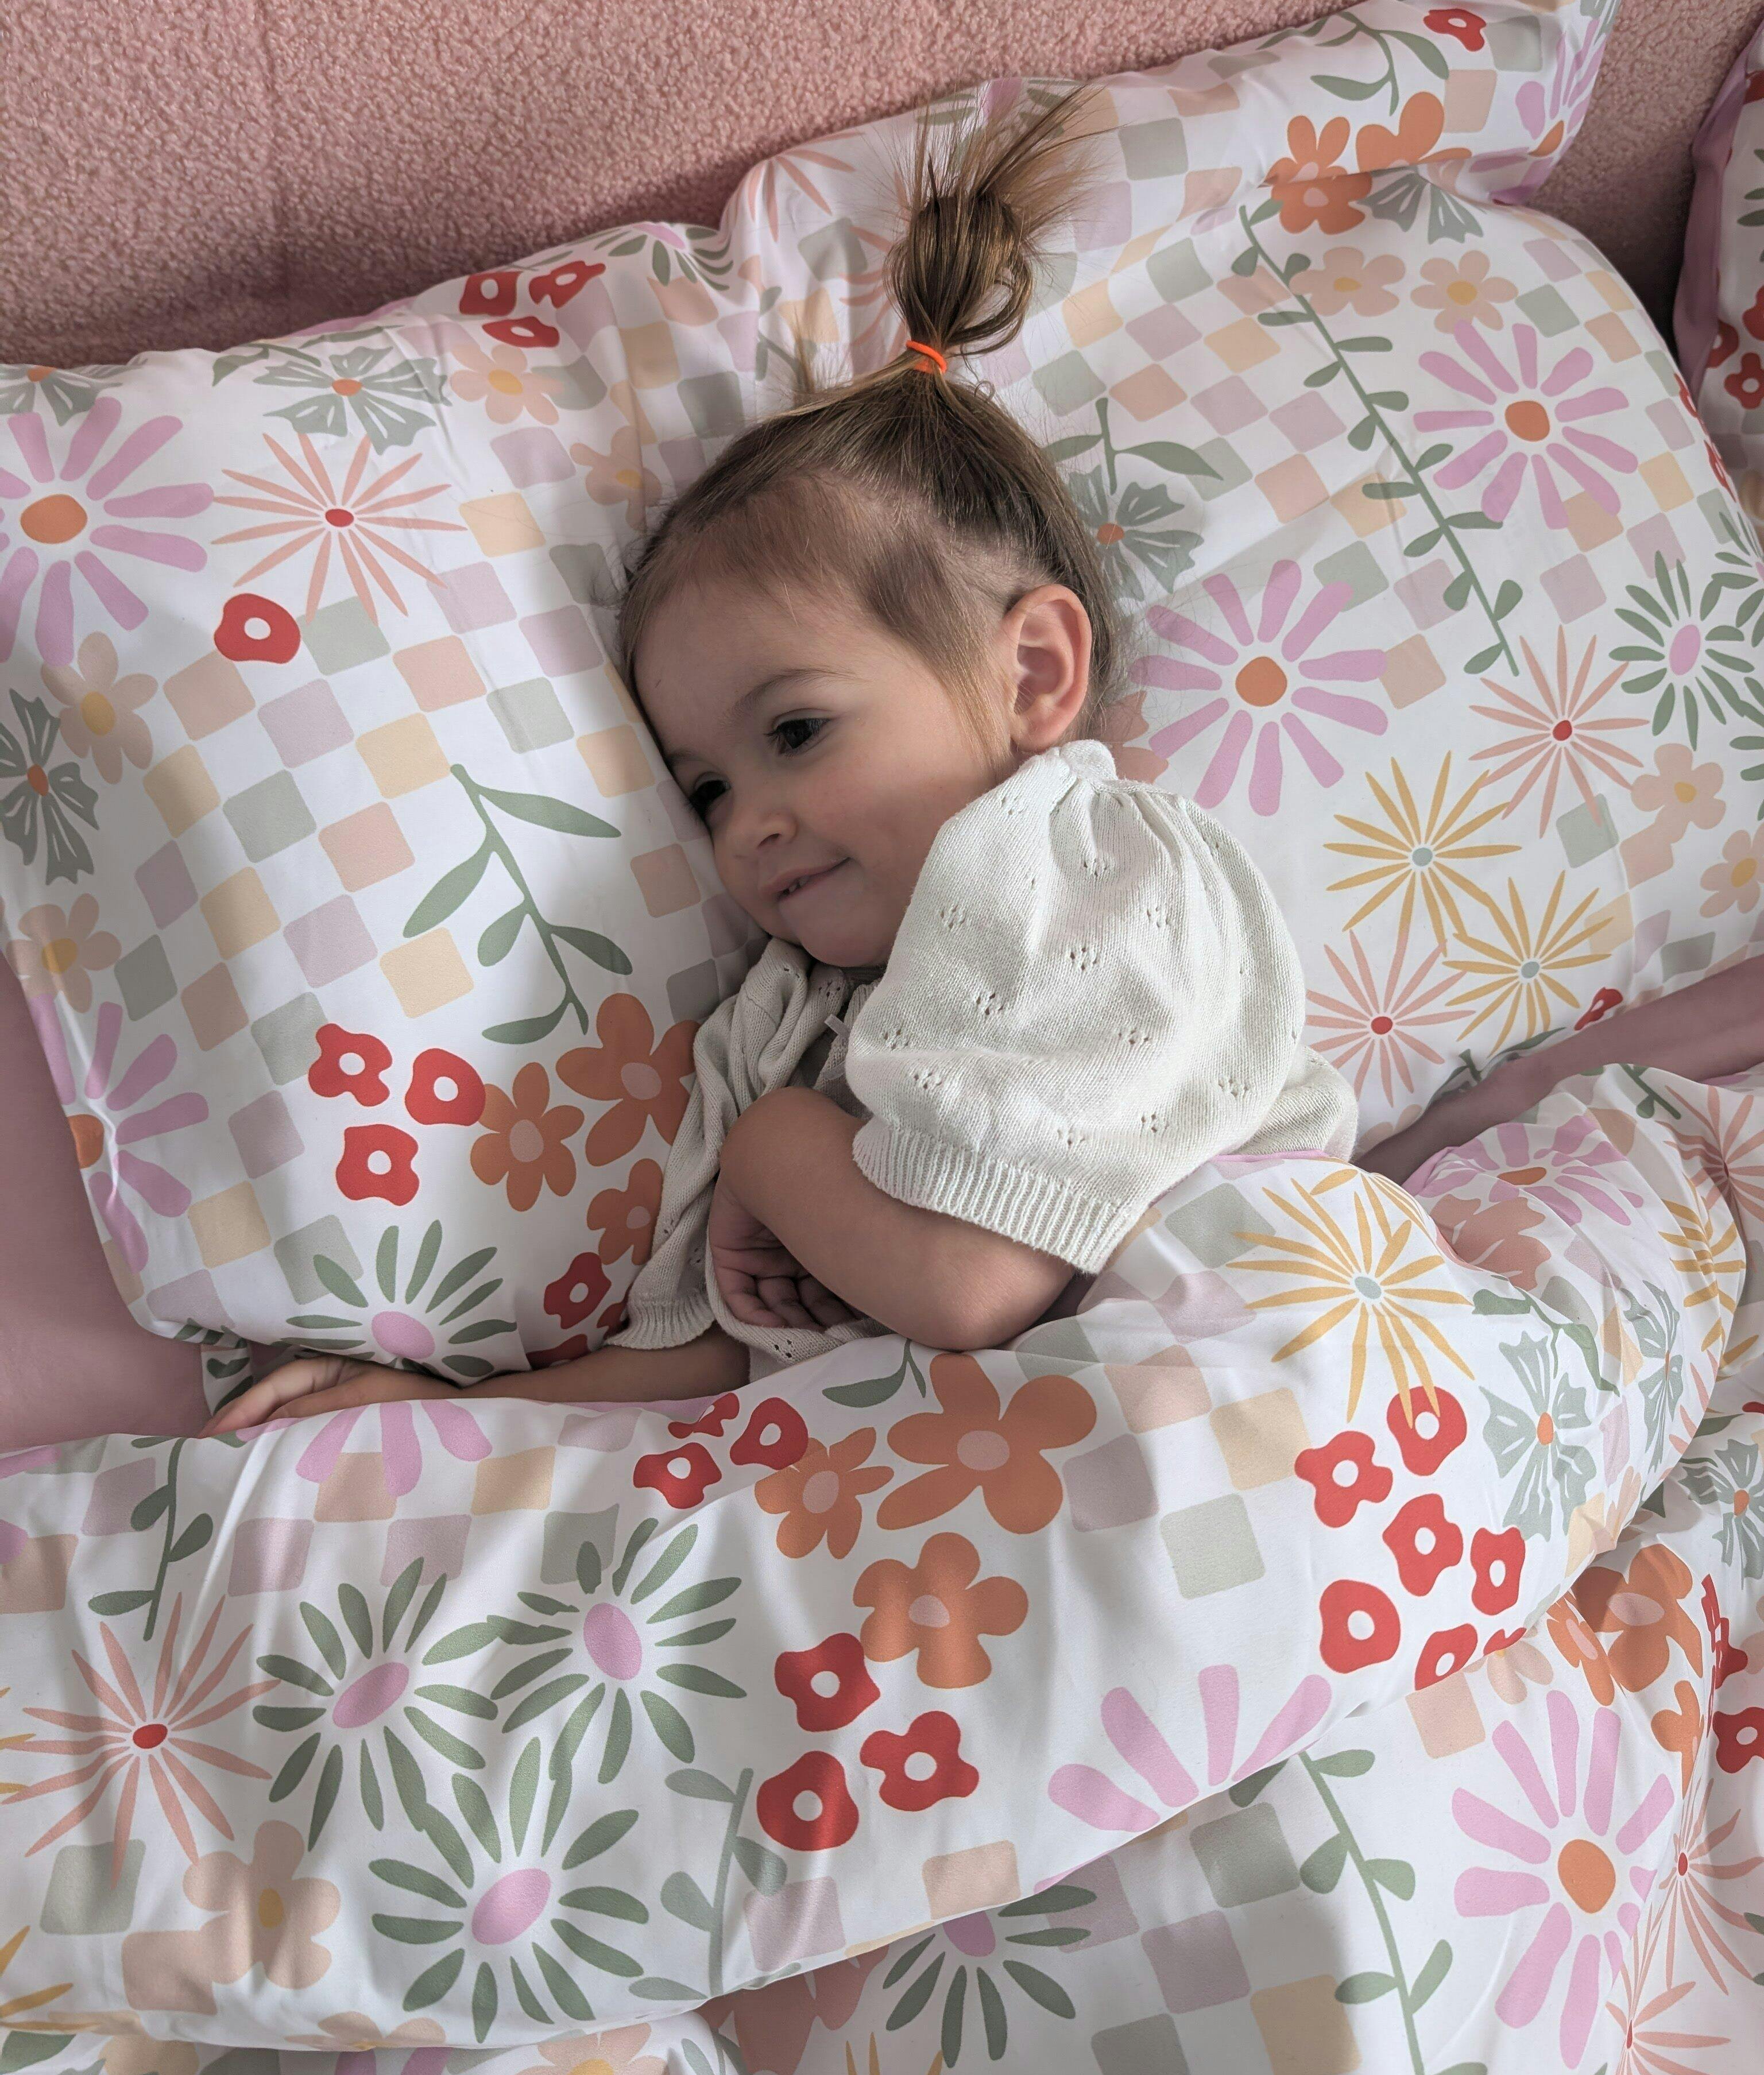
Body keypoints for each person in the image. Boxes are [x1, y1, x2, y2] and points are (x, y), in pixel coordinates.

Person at [204, 85, 1764, 1440]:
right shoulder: (777, 1027)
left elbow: (972, 1284)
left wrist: (776, 1153)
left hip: (1251, 1395)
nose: (750, 825)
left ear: (1031, 677)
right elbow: (709, 1371)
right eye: (706, 789)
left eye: (796, 732)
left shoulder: (1082, 871)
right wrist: (433, 1419)